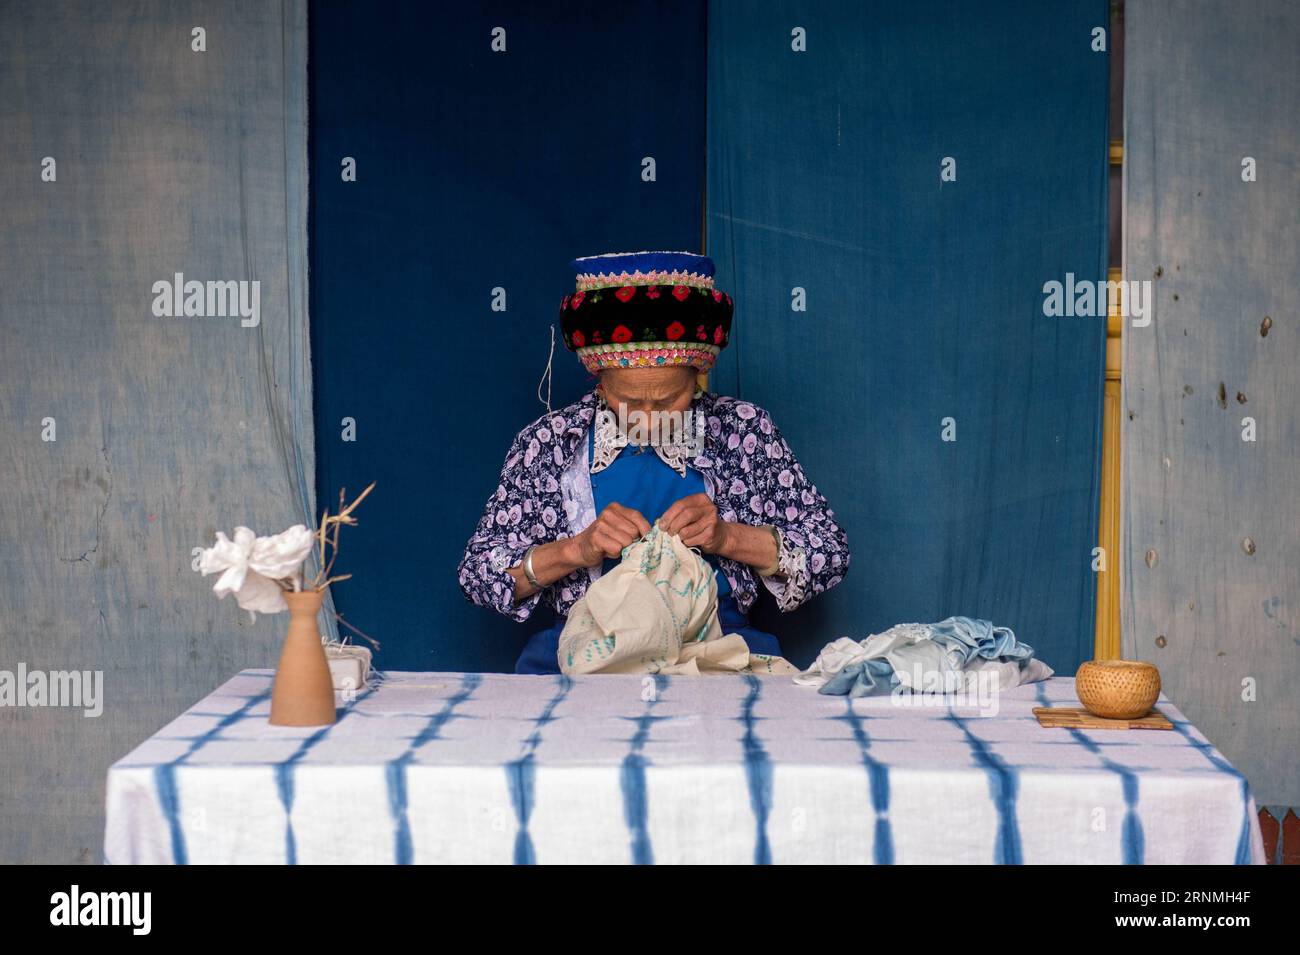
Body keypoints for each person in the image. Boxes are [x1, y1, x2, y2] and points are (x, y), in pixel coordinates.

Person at [457, 250, 850, 673]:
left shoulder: (743, 431)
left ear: (698, 375)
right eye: (628, 400)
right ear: (600, 381)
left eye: (668, 399)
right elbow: (479, 574)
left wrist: (727, 537)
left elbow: (829, 551)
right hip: (586, 656)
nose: (647, 417)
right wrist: (578, 548)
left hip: (716, 656)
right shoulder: (550, 442)